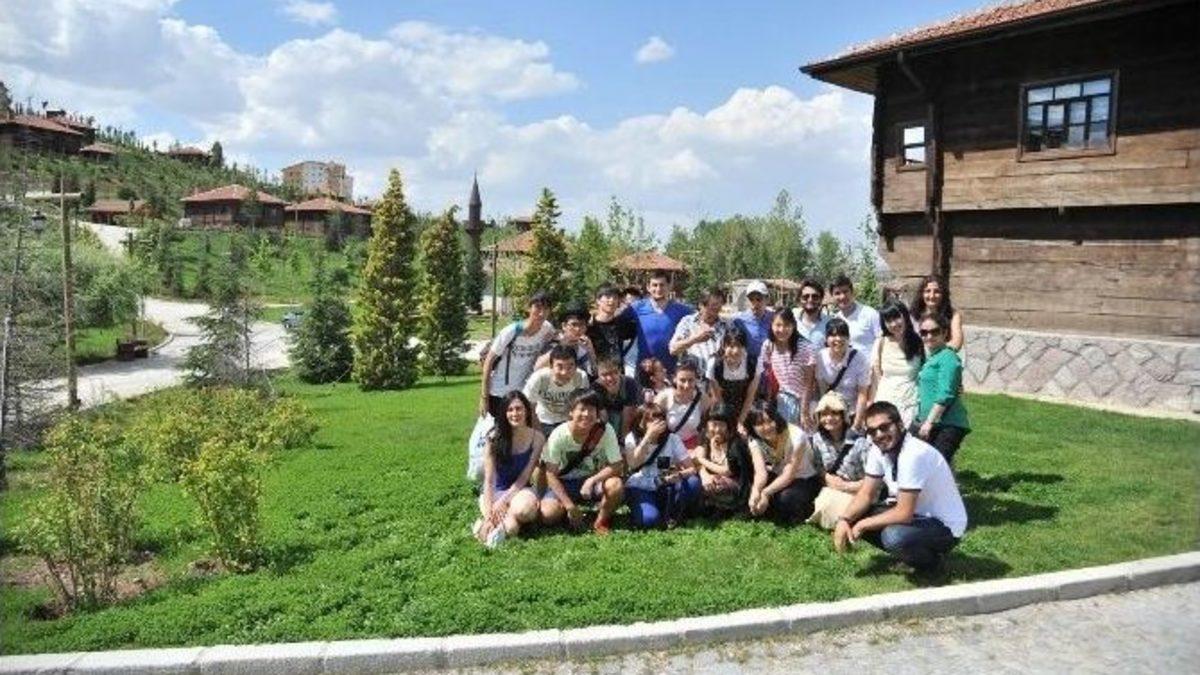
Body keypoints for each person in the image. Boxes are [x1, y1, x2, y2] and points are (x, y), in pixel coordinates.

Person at [833, 401, 968, 574]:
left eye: (884, 427)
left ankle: (932, 564)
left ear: (900, 424)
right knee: (857, 514)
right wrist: (844, 520)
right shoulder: (878, 450)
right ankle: (911, 554)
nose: (879, 435)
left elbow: (904, 513)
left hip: (945, 525)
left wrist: (862, 525)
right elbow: (865, 494)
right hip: (917, 516)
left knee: (894, 537)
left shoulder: (913, 454)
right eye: (872, 431)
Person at [540, 391, 625, 535]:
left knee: (615, 485)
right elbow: (551, 474)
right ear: (571, 412)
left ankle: (600, 521)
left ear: (597, 413)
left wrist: (592, 480)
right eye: (582, 409)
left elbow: (617, 465)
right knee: (548, 515)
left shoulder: (605, 430)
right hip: (565, 482)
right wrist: (569, 506)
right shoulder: (558, 435)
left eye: (591, 409)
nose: (586, 414)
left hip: (593, 481)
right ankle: (570, 513)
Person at [474, 391, 545, 547]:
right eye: (510, 410)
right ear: (504, 414)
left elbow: (524, 477)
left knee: (525, 512)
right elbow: (489, 480)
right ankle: (492, 525)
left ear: (527, 411)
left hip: (520, 489)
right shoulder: (493, 438)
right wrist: (490, 513)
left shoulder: (537, 438)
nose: (515, 414)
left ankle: (497, 524)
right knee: (512, 528)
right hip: (494, 490)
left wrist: (504, 502)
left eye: (519, 408)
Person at [479, 291, 555, 421]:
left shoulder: (547, 328)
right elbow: (489, 361)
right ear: (528, 308)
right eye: (537, 307)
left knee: (520, 429)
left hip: (523, 392)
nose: (541, 313)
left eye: (546, 309)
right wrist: (484, 397)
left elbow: (555, 340)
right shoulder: (511, 331)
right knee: (501, 430)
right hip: (500, 392)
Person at [623, 403, 701, 529]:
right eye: (651, 420)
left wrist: (679, 474)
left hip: (664, 484)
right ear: (640, 423)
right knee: (649, 520)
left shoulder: (672, 439)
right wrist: (648, 437)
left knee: (693, 482)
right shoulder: (632, 438)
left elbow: (692, 469)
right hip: (641, 485)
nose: (657, 424)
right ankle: (647, 509)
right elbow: (633, 463)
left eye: (660, 419)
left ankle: (675, 514)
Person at [746, 400, 823, 524]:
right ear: (752, 427)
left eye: (770, 421)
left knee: (786, 498)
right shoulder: (754, 440)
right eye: (759, 424)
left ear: (776, 418)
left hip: (803, 477)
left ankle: (805, 509)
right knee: (750, 489)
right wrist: (756, 491)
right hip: (778, 473)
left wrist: (765, 493)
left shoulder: (796, 436)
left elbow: (789, 474)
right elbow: (760, 472)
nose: (767, 427)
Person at [807, 391, 871, 530]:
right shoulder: (817, 439)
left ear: (844, 416)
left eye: (834, 413)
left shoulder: (860, 442)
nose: (829, 418)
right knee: (824, 505)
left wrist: (847, 486)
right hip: (832, 487)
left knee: (833, 511)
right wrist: (827, 477)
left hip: (858, 490)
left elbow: (874, 479)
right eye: (824, 414)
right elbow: (818, 466)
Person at [914, 313, 971, 463]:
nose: (929, 336)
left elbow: (945, 394)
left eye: (934, 331)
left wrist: (929, 422)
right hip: (931, 422)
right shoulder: (932, 357)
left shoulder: (948, 357)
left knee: (935, 466)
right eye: (924, 332)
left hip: (947, 424)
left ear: (945, 332)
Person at [759, 308, 816, 430]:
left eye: (786, 325)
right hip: (781, 401)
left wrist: (804, 412)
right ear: (771, 325)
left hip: (803, 401)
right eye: (778, 325)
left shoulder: (805, 347)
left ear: (793, 325)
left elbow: (809, 383)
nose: (782, 329)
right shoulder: (768, 345)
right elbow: (769, 376)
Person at [814, 318, 872, 432]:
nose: (838, 339)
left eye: (842, 335)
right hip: (832, 411)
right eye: (833, 335)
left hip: (852, 411)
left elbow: (862, 394)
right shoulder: (820, 357)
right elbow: (822, 391)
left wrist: (856, 424)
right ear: (826, 338)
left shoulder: (859, 359)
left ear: (848, 338)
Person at [871, 301, 923, 426]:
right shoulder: (880, 343)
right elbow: (876, 376)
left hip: (910, 403)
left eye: (897, 317)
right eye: (888, 321)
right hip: (885, 401)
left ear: (905, 315)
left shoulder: (919, 342)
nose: (894, 324)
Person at [694, 402, 753, 513]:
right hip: (713, 478)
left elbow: (727, 471)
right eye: (713, 424)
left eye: (721, 425)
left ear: (729, 425)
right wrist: (705, 476)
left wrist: (701, 460)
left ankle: (728, 507)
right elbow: (696, 460)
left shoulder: (735, 443)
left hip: (737, 484)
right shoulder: (705, 436)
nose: (717, 429)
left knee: (719, 484)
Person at [632, 270, 693, 374]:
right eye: (654, 285)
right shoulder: (637, 308)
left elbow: (701, 319)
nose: (658, 289)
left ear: (669, 286)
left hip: (670, 370)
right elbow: (614, 321)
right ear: (648, 287)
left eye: (662, 285)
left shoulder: (681, 310)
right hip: (644, 370)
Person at [523, 345, 591, 438]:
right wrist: (538, 434)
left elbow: (583, 405)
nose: (564, 372)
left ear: (576, 366)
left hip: (569, 421)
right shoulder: (540, 378)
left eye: (570, 367)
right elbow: (529, 406)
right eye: (560, 367)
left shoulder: (581, 378)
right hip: (543, 421)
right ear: (551, 366)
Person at [707, 325, 761, 431]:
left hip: (747, 409)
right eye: (731, 346)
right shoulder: (714, 364)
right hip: (724, 410)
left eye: (739, 346)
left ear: (744, 347)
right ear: (724, 346)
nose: (735, 351)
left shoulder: (753, 363)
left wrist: (740, 421)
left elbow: (751, 396)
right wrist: (730, 422)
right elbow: (718, 397)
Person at [669, 286, 728, 379]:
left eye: (719, 307)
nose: (715, 312)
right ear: (701, 305)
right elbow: (673, 349)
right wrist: (695, 339)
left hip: (717, 382)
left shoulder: (726, 325)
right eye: (712, 307)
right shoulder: (687, 322)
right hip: (692, 383)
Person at [654, 358, 710, 450]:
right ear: (675, 379)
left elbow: (707, 424)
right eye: (682, 380)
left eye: (690, 380)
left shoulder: (703, 399)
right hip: (668, 445)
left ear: (696, 380)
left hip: (693, 445)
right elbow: (651, 419)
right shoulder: (664, 397)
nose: (686, 385)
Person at [588, 285, 640, 377]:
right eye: (608, 297)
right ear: (598, 300)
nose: (611, 300)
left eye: (615, 297)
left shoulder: (624, 324)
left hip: (618, 377)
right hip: (597, 377)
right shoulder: (588, 327)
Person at [534, 303, 597, 378]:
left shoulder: (584, 345)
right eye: (574, 324)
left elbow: (594, 372)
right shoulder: (554, 343)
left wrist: (591, 351)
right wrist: (560, 346)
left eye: (582, 324)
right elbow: (537, 368)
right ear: (564, 326)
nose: (578, 329)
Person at [591, 354, 641, 441]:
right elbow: (603, 417)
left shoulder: (629, 383)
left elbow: (628, 415)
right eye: (604, 375)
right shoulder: (595, 388)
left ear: (620, 370)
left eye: (614, 372)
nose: (610, 378)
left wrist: (622, 440)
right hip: (608, 420)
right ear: (598, 374)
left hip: (626, 419)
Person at [910, 275, 964, 351]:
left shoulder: (953, 315)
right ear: (921, 294)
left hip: (942, 355)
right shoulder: (912, 315)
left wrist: (934, 353)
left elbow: (956, 343)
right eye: (928, 291)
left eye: (937, 292)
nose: (932, 296)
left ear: (943, 295)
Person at [830, 275, 881, 355]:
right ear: (832, 296)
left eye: (845, 291)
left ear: (852, 292)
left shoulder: (870, 314)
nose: (842, 296)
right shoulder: (835, 320)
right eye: (837, 293)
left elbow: (882, 339)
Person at [733, 280, 775, 360]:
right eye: (751, 299)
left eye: (759, 299)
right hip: (747, 363)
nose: (755, 303)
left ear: (767, 299)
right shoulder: (738, 320)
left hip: (769, 362)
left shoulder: (774, 318)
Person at [792, 278, 829, 349]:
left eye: (815, 297)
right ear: (800, 299)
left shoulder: (829, 323)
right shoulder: (791, 319)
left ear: (821, 299)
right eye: (805, 297)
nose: (810, 300)